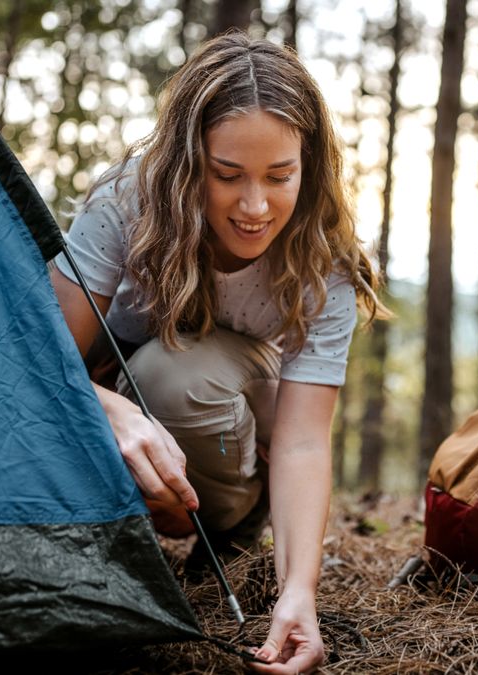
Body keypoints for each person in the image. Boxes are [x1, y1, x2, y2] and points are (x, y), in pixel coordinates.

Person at [50, 32, 387, 674]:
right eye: (227, 175)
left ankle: (228, 520)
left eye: (279, 177)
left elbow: (304, 441)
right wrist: (114, 414)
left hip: (222, 407)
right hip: (112, 397)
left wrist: (298, 594)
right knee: (140, 382)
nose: (255, 207)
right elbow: (40, 363)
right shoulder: (126, 201)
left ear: (309, 165)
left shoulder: (326, 263)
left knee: (172, 376)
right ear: (185, 159)